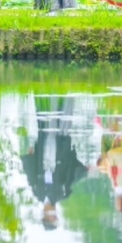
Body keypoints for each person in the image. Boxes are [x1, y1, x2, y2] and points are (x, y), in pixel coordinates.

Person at [21, 95, 88, 230]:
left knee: (45, 120)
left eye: (51, 217)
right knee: (64, 115)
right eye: (55, 216)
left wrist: (30, 156)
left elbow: (31, 172)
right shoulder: (63, 193)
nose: (54, 214)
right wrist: (86, 171)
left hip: (43, 151)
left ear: (45, 215)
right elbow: (72, 175)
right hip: (61, 145)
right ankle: (66, 93)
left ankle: (43, 95)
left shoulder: (37, 191)